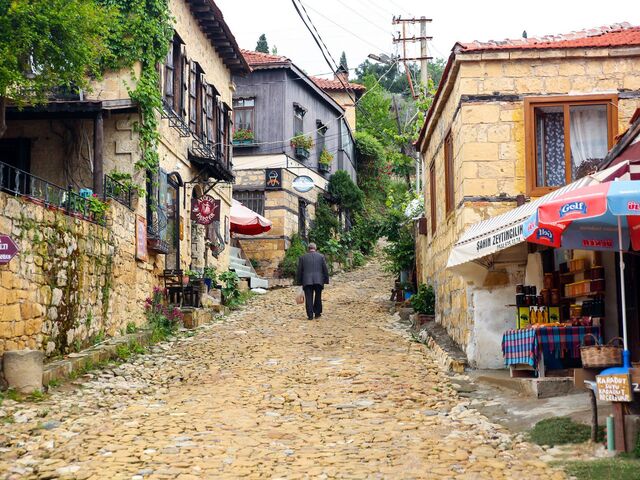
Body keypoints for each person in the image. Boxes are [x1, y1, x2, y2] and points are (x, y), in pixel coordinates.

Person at [296, 242, 329, 320]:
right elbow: (325, 269)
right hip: (318, 280)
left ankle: (310, 315)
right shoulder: (321, 257)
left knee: (308, 298)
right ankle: (317, 313)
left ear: (308, 249)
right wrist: (326, 280)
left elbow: (299, 271)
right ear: (315, 248)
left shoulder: (302, 257)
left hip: (307, 281)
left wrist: (299, 282)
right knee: (318, 297)